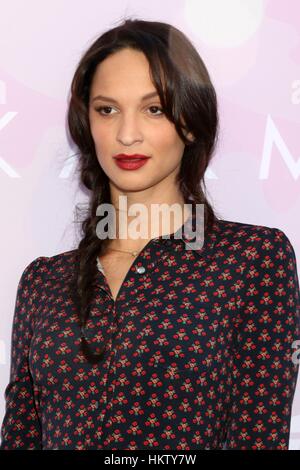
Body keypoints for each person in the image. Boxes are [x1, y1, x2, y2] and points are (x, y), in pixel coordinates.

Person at [1, 17, 299, 451]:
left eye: (153, 108)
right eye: (107, 109)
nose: (127, 134)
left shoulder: (251, 260)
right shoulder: (42, 283)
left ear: (191, 121)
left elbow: (259, 435)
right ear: (87, 124)